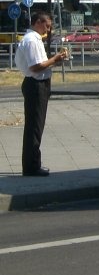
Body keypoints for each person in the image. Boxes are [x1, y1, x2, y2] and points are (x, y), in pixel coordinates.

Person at [14, 10, 68, 177]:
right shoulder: (32, 40)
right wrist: (55, 59)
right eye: (47, 25)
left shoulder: (34, 39)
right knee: (34, 127)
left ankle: (32, 163)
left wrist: (53, 62)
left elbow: (40, 65)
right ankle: (31, 166)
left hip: (37, 84)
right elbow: (36, 67)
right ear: (38, 22)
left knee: (36, 126)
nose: (48, 30)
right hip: (36, 85)